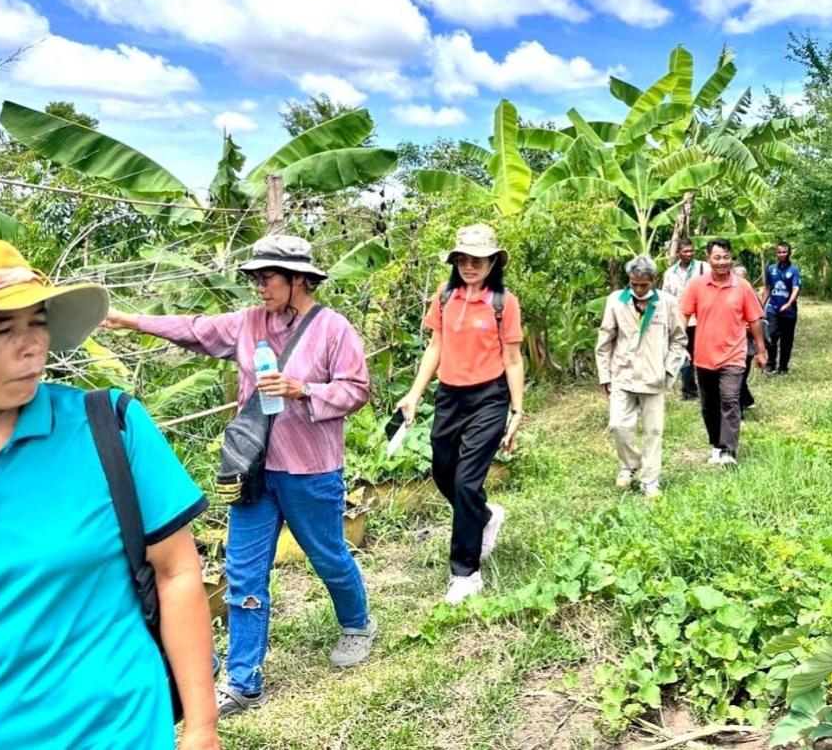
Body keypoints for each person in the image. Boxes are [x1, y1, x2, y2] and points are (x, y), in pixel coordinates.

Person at [104, 234, 375, 718]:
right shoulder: (248, 324)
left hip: (311, 470)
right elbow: (195, 328)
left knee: (328, 554)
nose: (259, 286)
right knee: (244, 571)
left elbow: (357, 390)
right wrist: (133, 320)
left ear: (298, 280)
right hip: (253, 471)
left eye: (267, 277)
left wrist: (302, 389)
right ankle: (243, 680)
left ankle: (357, 624)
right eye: (255, 277)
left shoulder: (334, 329)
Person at [0, 241, 219, 750]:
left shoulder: (106, 427)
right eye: (2, 329)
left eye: (38, 322)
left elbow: (176, 570)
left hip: (118, 731)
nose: (32, 346)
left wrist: (201, 728)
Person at [395, 224, 525, 605]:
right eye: (463, 259)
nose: (470, 266)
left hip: (490, 396)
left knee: (467, 482)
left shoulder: (504, 302)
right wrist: (414, 395)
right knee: (442, 469)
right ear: (454, 262)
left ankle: (465, 572)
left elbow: (513, 359)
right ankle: (483, 517)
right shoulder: (445, 296)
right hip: (450, 396)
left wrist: (517, 410)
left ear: (491, 263)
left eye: (478, 260)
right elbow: (436, 347)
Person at [595, 255, 688, 499]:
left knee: (653, 430)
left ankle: (650, 479)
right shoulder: (616, 301)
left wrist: (669, 370)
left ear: (653, 281)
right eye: (633, 283)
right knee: (618, 425)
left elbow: (679, 340)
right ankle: (631, 463)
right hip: (622, 375)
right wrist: (605, 375)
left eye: (643, 284)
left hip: (654, 377)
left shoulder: (666, 303)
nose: (637, 289)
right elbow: (604, 341)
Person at [679, 240, 767, 466]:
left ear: (731, 258)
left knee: (730, 399)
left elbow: (754, 320)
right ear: (708, 258)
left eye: (726, 257)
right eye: (717, 258)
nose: (722, 262)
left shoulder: (743, 286)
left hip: (734, 355)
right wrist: (677, 344)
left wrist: (760, 350)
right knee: (709, 404)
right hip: (704, 356)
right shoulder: (696, 285)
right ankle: (716, 445)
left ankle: (729, 450)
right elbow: (683, 315)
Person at [661, 237, 709, 400]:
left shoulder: (704, 268)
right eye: (685, 251)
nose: (689, 254)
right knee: (682, 353)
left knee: (701, 355)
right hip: (680, 319)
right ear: (678, 253)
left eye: (691, 251)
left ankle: (705, 389)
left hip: (701, 319)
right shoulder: (669, 274)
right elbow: (666, 297)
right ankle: (689, 389)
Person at [762, 242, 802, 375]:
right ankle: (771, 364)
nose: (782, 254)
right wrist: (761, 305)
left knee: (787, 340)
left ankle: (783, 367)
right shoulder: (771, 269)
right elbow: (768, 288)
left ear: (789, 253)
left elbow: (796, 289)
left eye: (784, 252)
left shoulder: (794, 270)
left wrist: (789, 304)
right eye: (779, 252)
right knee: (771, 337)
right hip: (772, 309)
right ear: (776, 253)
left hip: (789, 312)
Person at [732, 266, 759, 415]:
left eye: (742, 277)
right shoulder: (725, 294)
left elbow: (759, 320)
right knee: (735, 378)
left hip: (747, 344)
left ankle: (744, 403)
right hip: (729, 343)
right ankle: (743, 404)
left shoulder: (752, 295)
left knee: (740, 377)